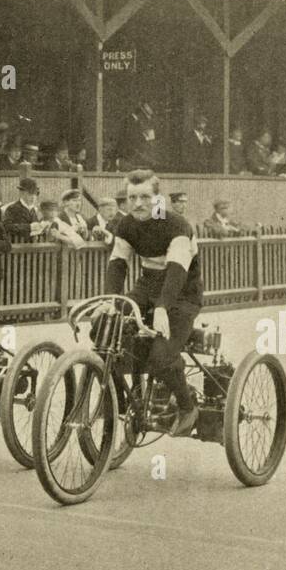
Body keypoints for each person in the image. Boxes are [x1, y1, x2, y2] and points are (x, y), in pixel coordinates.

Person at [104, 169, 204, 437]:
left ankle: (186, 407)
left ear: (158, 198)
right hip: (147, 286)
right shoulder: (126, 224)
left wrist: (162, 307)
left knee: (161, 356)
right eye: (132, 197)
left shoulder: (176, 226)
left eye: (145, 197)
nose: (138, 204)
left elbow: (176, 272)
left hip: (182, 292)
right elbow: (117, 263)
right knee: (104, 330)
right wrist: (111, 300)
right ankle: (121, 402)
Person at [2, 177, 48, 243]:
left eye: (35, 194)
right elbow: (6, 227)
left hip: (33, 247)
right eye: (30, 194)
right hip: (17, 247)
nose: (33, 197)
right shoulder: (12, 208)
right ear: (22, 193)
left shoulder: (34, 210)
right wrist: (29, 227)